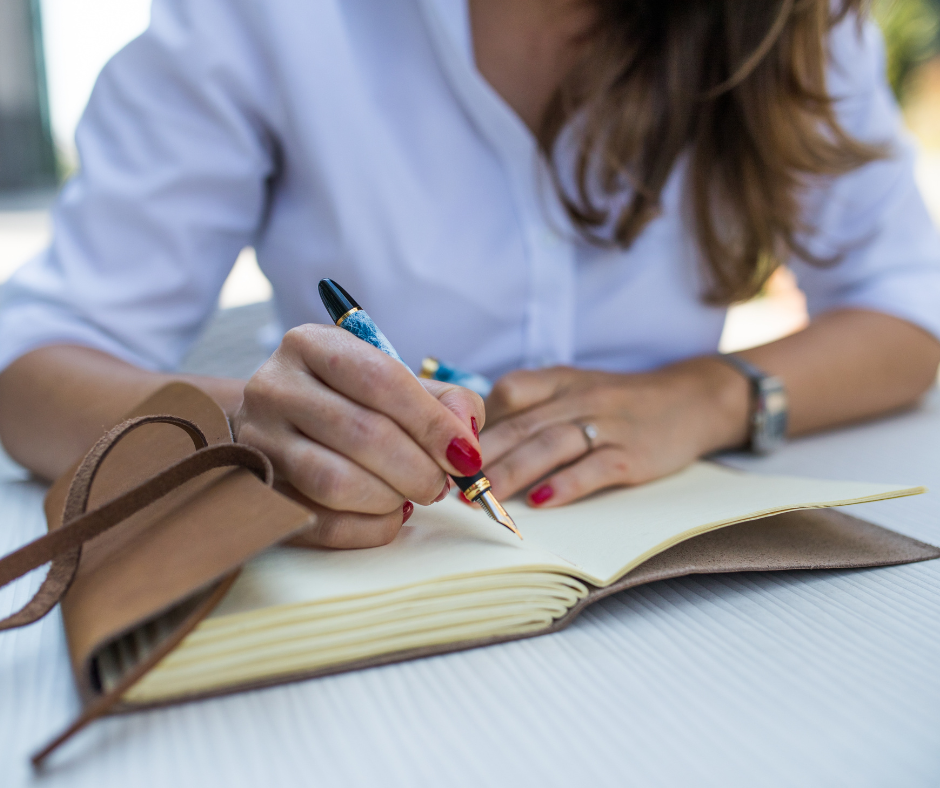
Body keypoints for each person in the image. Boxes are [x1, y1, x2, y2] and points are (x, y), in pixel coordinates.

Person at [0, 0, 938, 549]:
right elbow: (28, 366)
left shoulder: (788, 22)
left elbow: (906, 305)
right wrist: (249, 430)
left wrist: (707, 395)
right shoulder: (258, 21)